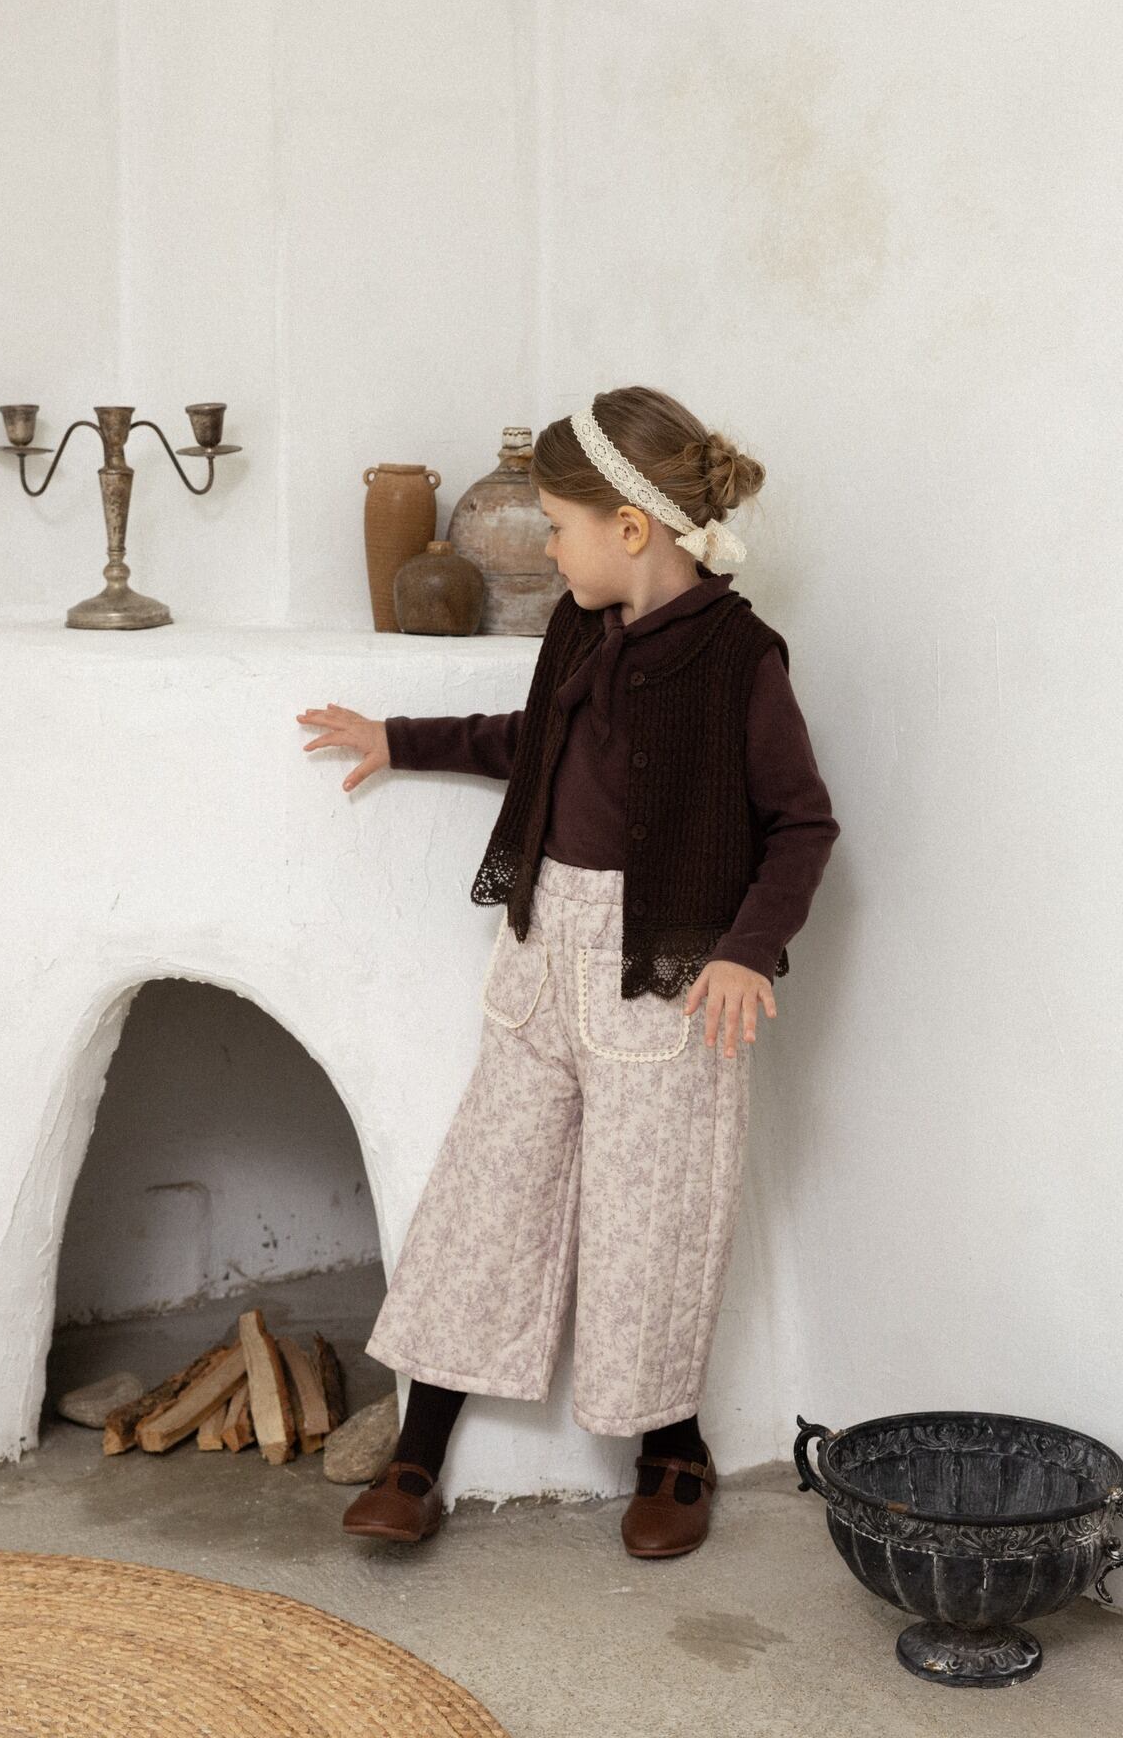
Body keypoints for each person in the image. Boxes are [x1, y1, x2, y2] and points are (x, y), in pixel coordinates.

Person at [296, 385, 839, 1557]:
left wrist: (745, 953)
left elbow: (801, 823)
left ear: (628, 528)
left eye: (555, 527)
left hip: (666, 977)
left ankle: (670, 1447)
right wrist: (400, 740)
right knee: (488, 1193)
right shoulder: (580, 629)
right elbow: (530, 743)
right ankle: (418, 1449)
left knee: (654, 1216)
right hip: (544, 955)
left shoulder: (738, 660)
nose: (546, 549)